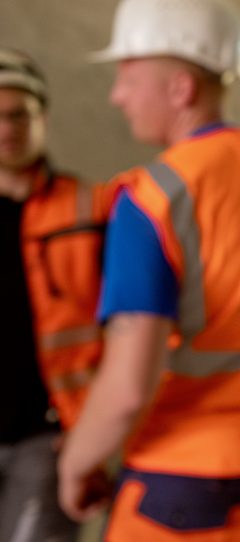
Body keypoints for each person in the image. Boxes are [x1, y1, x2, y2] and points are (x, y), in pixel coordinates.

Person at [56, 0, 240, 540]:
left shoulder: (154, 198)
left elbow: (128, 387)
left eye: (127, 76)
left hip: (185, 490)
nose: (116, 95)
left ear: (180, 88)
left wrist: (76, 463)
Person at [0, 48, 112, 541]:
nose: (6, 129)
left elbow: (125, 333)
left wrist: (92, 433)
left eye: (17, 114)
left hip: (50, 435)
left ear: (42, 117)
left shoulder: (91, 209)